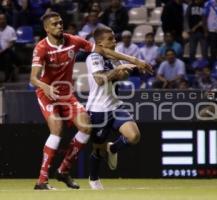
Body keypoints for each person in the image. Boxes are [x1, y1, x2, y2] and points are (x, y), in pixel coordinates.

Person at [30, 11, 152, 190]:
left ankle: (63, 171)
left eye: (61, 22)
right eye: (55, 24)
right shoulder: (41, 48)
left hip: (66, 94)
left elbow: (102, 50)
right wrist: (46, 86)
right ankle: (42, 181)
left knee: (86, 127)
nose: (59, 26)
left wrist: (134, 60)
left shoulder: (74, 41)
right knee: (57, 130)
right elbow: (33, 78)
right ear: (46, 28)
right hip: (46, 93)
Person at [85, 26, 148, 189]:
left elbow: (125, 74)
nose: (115, 41)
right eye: (110, 39)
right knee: (98, 150)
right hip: (97, 109)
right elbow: (100, 79)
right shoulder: (93, 57)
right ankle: (94, 179)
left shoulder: (114, 56)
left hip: (115, 106)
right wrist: (118, 70)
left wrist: (120, 70)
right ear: (100, 42)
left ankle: (113, 148)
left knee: (134, 136)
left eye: (114, 38)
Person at [0, 13, 17, 82]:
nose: (1, 21)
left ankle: (7, 77)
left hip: (7, 51)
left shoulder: (11, 29)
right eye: (0, 19)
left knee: (7, 56)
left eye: (3, 19)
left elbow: (12, 43)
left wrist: (3, 50)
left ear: (6, 20)